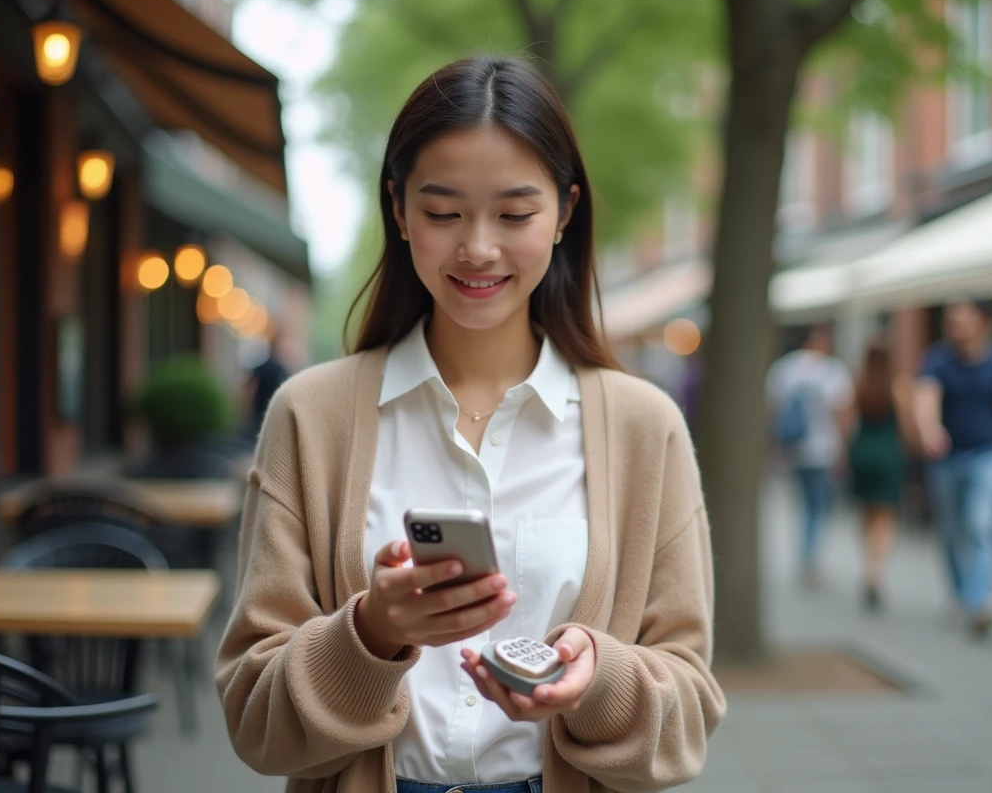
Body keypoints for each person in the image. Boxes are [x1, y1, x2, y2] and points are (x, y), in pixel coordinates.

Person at [215, 57, 725, 793]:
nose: (478, 247)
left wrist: (594, 677)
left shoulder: (646, 429)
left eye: (515, 214)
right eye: (443, 212)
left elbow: (689, 712)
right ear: (398, 209)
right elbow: (252, 717)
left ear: (565, 212)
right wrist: (372, 633)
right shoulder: (311, 417)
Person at [915, 300, 992, 639]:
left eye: (962, 320)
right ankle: (960, 593)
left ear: (983, 323)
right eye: (951, 321)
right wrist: (930, 430)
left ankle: (981, 603)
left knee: (981, 524)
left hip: (987, 456)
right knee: (951, 530)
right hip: (946, 459)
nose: (956, 327)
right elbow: (925, 398)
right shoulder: (937, 360)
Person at [766, 324, 854, 585]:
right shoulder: (832, 371)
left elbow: (773, 410)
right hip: (824, 450)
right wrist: (844, 450)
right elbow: (843, 413)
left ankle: (806, 555)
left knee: (804, 506)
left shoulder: (784, 369)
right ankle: (810, 560)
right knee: (818, 508)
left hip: (794, 450)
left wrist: (774, 445)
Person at [848, 339, 911, 612]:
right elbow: (908, 428)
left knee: (867, 513)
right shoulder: (898, 387)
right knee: (885, 517)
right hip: (887, 455)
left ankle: (869, 565)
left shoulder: (858, 385)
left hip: (862, 453)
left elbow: (847, 423)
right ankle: (875, 571)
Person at [243, 326, 293, 438]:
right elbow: (250, 389)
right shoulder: (275, 369)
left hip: (265, 413)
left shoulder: (278, 369)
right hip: (264, 413)